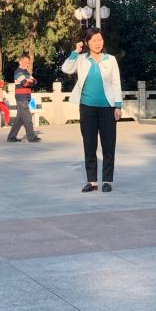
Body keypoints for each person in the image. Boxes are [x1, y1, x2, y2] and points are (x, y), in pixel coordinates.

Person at [61, 27, 123, 192]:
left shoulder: (110, 60)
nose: (97, 43)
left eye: (100, 39)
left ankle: (107, 181)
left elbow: (116, 83)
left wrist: (118, 106)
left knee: (108, 145)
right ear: (87, 42)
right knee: (89, 144)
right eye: (93, 40)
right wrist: (75, 52)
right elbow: (66, 69)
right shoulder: (81, 59)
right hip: (87, 108)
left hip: (108, 108)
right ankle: (92, 181)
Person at [7, 55, 39, 143]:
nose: (27, 65)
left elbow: (35, 81)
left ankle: (11, 137)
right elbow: (25, 84)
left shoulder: (26, 72)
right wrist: (30, 81)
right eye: (26, 63)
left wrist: (31, 81)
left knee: (19, 119)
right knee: (28, 117)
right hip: (21, 97)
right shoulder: (18, 72)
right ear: (20, 62)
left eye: (28, 63)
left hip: (26, 97)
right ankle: (31, 137)